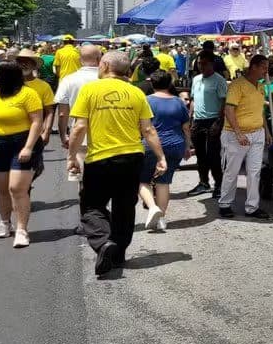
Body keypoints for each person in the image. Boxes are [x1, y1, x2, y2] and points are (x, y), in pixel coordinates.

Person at [67, 52, 166, 275]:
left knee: (92, 206)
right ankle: (119, 254)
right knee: (124, 207)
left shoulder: (90, 89)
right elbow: (148, 129)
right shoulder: (136, 92)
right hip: (132, 157)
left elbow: (79, 127)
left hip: (100, 158)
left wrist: (71, 156)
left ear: (104, 65)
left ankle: (104, 243)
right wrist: (161, 157)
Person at [0, 62, 44, 247]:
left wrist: (28, 147)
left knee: (16, 189)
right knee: (2, 189)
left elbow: (37, 121)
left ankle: (22, 230)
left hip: (21, 142)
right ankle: (5, 223)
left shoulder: (29, 94)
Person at [138, 70, 192, 232]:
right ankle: (161, 219)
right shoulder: (178, 102)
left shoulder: (146, 101)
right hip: (175, 144)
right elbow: (186, 127)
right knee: (164, 181)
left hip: (150, 145)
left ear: (152, 84)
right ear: (169, 84)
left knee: (142, 180)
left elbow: (141, 126)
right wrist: (187, 146)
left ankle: (153, 207)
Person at [219, 54, 271, 220]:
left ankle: (252, 206)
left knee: (254, 172)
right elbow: (229, 110)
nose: (266, 70)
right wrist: (238, 132)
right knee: (231, 171)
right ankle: (225, 204)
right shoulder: (237, 85)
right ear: (254, 67)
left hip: (257, 133)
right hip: (236, 136)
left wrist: (267, 130)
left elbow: (260, 111)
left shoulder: (260, 86)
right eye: (263, 67)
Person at [55, 44, 102, 177]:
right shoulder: (107, 79)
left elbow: (63, 113)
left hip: (79, 136)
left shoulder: (68, 80)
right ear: (100, 59)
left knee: (81, 176)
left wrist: (63, 135)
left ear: (80, 60)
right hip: (107, 135)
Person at [187, 51, 228, 198]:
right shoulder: (196, 79)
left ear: (212, 64)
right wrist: (191, 118)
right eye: (199, 63)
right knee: (200, 154)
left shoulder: (219, 80)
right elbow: (193, 99)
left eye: (204, 63)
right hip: (198, 121)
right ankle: (203, 182)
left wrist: (219, 121)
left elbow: (224, 102)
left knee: (213, 155)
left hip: (213, 121)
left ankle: (219, 184)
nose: (201, 66)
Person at [15, 48, 56, 181]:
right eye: (20, 61)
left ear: (33, 65)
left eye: (27, 61)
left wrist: (47, 131)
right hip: (10, 134)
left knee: (33, 170)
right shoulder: (8, 84)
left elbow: (49, 111)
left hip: (34, 135)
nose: (23, 64)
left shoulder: (43, 86)